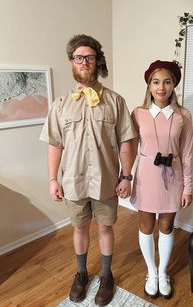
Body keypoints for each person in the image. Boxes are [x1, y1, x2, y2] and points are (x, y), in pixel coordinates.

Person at [40, 34, 136, 306]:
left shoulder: (116, 101)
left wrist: (127, 176)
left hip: (106, 181)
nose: (84, 62)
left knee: (105, 227)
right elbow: (54, 145)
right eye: (78, 57)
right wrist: (52, 179)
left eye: (89, 57)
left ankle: (107, 276)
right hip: (72, 182)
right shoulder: (60, 105)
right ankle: (81, 274)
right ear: (72, 62)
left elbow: (126, 142)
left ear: (97, 62)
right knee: (79, 228)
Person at [130, 60, 193, 300]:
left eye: (167, 82)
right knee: (146, 226)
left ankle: (163, 272)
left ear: (174, 84)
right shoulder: (138, 113)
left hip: (173, 177)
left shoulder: (183, 115)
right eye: (156, 82)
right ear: (149, 84)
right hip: (146, 176)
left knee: (166, 227)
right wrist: (124, 177)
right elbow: (128, 148)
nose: (161, 87)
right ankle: (151, 272)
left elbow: (186, 153)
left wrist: (187, 187)